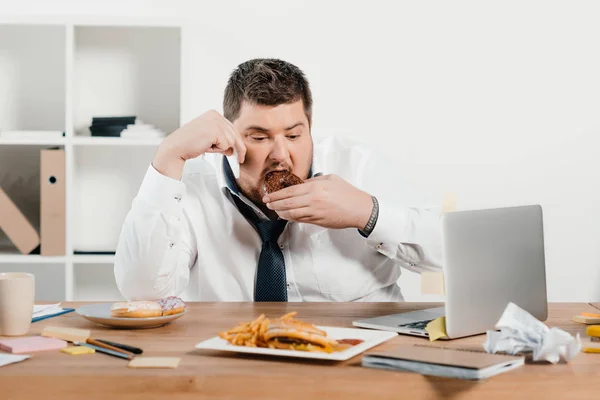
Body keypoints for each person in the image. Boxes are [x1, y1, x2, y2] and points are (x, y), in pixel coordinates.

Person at [114, 58, 442, 302]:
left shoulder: (359, 165)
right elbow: (142, 293)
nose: (281, 155)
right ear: (228, 136)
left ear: (310, 127)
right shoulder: (191, 184)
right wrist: (168, 157)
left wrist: (366, 213)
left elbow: (443, 255)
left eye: (294, 134)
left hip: (356, 358)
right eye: (259, 138)